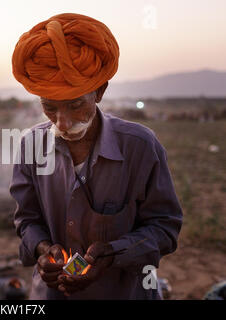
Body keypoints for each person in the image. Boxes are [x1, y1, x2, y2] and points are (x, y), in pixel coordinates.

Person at [10, 13, 183, 299]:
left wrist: (114, 253)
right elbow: (26, 220)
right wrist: (43, 249)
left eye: (75, 105)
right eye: (49, 107)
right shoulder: (31, 146)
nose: (62, 123)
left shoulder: (140, 146)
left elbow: (164, 228)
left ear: (100, 92)